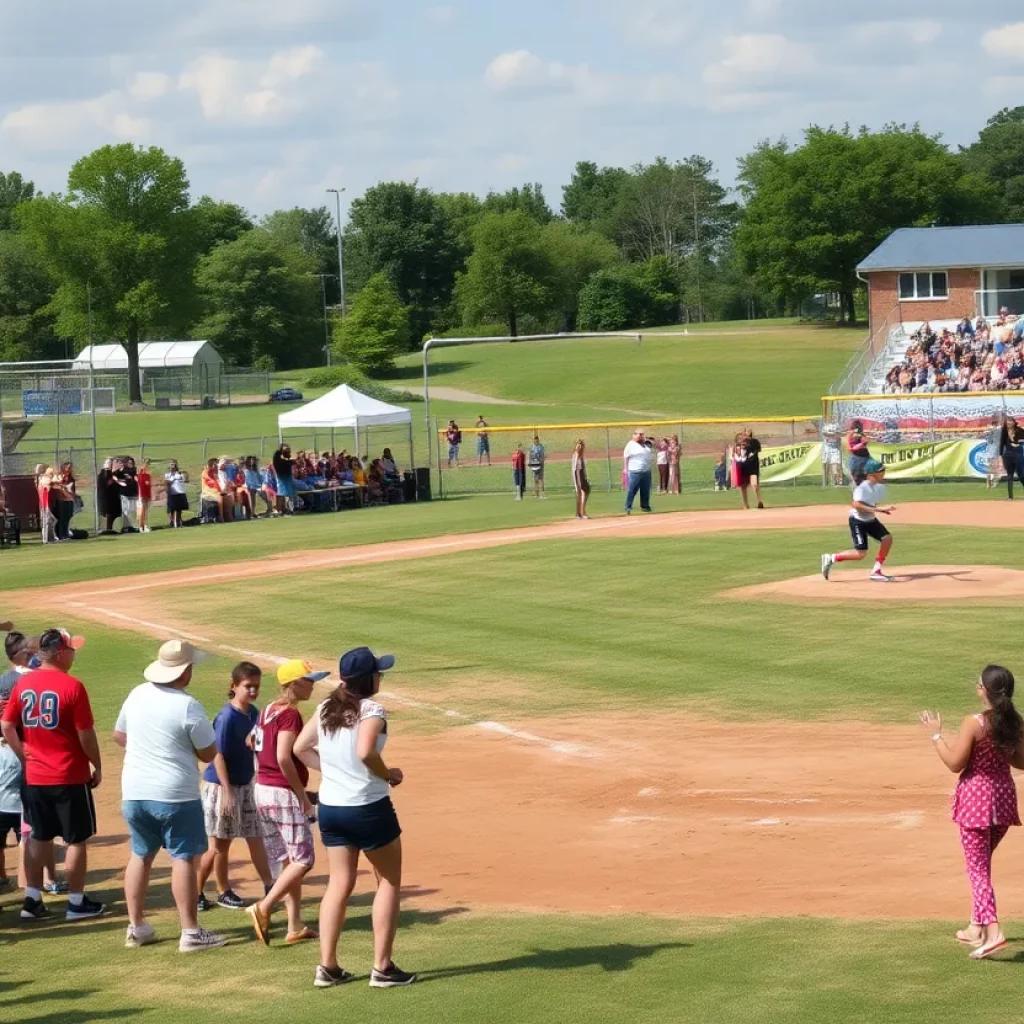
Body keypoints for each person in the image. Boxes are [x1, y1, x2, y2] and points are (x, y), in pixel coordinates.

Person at [294, 646, 415, 989]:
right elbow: (365, 751)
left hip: (332, 808)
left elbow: (300, 748)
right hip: (367, 807)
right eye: (378, 672)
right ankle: (382, 967)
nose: (381, 676)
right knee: (389, 881)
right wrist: (387, 773)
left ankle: (328, 967)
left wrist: (332, 771)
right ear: (369, 679)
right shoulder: (372, 710)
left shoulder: (324, 708)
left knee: (339, 884)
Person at [113, 639, 226, 952]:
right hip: (174, 794)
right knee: (183, 857)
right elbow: (208, 752)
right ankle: (190, 932)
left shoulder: (137, 694)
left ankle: (137, 928)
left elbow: (120, 735)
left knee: (141, 854)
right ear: (185, 671)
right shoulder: (187, 705)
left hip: (134, 791)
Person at [0, 628, 105, 921]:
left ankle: (31, 901)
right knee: (76, 840)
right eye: (71, 649)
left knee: (38, 837)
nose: (74, 654)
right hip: (68, 774)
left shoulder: (23, 684)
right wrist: (96, 764)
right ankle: (75, 902)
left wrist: (24, 755)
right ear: (60, 653)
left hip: (34, 777)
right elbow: (85, 734)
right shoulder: (72, 686)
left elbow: (7, 726)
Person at [919, 665, 1023, 960]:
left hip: (976, 803)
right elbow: (1021, 762)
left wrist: (936, 736)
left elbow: (955, 763)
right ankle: (976, 927)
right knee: (982, 863)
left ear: (984, 691)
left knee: (977, 870)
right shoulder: (1014, 722)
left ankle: (993, 931)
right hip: (1003, 799)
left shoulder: (974, 723)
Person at [245, 660, 327, 947]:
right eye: (308, 680)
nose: (313, 684)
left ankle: (294, 926)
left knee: (287, 860)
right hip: (281, 793)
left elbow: (250, 741)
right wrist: (302, 796)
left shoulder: (268, 710)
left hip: (262, 791)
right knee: (303, 859)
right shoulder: (290, 714)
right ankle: (264, 906)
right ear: (294, 684)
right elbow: (283, 756)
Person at [197, 663, 273, 912]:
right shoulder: (227, 717)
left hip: (245, 784)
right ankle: (202, 891)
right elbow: (216, 754)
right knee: (220, 844)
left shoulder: (254, 713)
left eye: (256, 686)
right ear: (234, 687)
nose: (253, 691)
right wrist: (227, 791)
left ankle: (270, 886)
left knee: (255, 836)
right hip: (222, 786)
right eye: (247, 686)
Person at [820, 459, 895, 583]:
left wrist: (878, 510)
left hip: (870, 520)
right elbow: (856, 505)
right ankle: (831, 558)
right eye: (881, 471)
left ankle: (876, 571)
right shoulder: (863, 488)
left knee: (887, 539)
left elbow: (868, 504)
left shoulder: (876, 486)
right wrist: (879, 510)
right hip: (858, 521)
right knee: (860, 554)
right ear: (872, 474)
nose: (883, 473)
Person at [622, 429, 653, 515]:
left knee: (645, 490)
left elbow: (654, 445)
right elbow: (626, 456)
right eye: (639, 434)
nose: (641, 436)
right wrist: (625, 469)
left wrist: (647, 440)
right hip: (635, 471)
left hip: (646, 471)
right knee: (632, 490)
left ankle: (645, 506)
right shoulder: (630, 444)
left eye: (642, 434)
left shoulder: (646, 444)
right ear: (634, 435)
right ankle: (628, 507)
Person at [736, 429, 764, 510]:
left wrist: (752, 453)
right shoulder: (739, 444)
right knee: (743, 486)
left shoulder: (754, 441)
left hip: (753, 465)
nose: (745, 434)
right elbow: (737, 455)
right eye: (743, 433)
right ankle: (746, 504)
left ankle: (759, 501)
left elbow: (758, 449)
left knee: (754, 483)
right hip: (743, 466)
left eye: (747, 432)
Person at [999, 416, 1024, 500]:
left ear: (1014, 422)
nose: (1009, 423)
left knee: (1021, 475)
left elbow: (1019, 442)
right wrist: (1000, 455)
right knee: (1010, 475)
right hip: (1007, 455)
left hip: (1018, 454)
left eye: (1010, 421)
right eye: (1007, 422)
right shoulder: (1004, 431)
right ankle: (1010, 497)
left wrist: (1012, 437)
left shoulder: (1019, 430)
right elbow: (1002, 443)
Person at [116, 456, 140, 533]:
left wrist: (133, 478)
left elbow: (136, 479)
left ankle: (132, 526)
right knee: (126, 510)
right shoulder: (122, 471)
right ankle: (125, 527)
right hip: (125, 494)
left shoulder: (134, 470)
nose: (131, 464)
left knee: (133, 510)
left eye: (132, 462)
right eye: (129, 462)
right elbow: (118, 478)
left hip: (134, 493)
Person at [97, 458, 119, 535]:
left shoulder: (113, 473)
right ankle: (107, 529)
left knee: (112, 513)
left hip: (113, 496)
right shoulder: (104, 473)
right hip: (106, 497)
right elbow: (106, 483)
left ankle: (109, 528)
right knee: (108, 513)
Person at [165, 460, 189, 528]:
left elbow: (186, 480)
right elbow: (167, 483)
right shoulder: (167, 475)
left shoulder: (179, 473)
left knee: (179, 509)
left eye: (174, 464)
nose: (172, 466)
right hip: (172, 493)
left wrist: (183, 476)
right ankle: (172, 522)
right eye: (171, 464)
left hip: (180, 492)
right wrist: (173, 477)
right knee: (171, 509)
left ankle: (178, 522)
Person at [272, 445, 295, 515]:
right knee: (281, 493)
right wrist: (280, 449)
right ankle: (280, 510)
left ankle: (289, 509)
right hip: (281, 478)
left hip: (288, 477)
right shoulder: (278, 460)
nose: (287, 451)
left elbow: (290, 460)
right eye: (286, 450)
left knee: (290, 494)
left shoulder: (288, 461)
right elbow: (276, 456)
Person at [847, 420, 871, 484]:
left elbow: (865, 442)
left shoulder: (862, 435)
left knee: (864, 478)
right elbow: (851, 448)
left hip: (864, 458)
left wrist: (863, 441)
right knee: (856, 478)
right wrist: (862, 444)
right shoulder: (850, 435)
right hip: (856, 458)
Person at [571, 438, 590, 520]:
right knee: (580, 494)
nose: (580, 448)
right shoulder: (576, 456)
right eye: (579, 446)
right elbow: (575, 470)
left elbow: (583, 468)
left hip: (581, 476)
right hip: (577, 476)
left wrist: (586, 477)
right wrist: (578, 481)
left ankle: (580, 512)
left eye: (581, 446)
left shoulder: (581, 456)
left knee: (586, 491)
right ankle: (580, 513)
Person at [201, 458, 223, 524]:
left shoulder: (214, 472)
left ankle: (228, 515)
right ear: (211, 464)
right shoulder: (206, 472)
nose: (217, 466)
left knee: (228, 496)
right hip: (207, 492)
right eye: (215, 465)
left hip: (214, 491)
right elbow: (213, 482)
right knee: (220, 497)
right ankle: (221, 517)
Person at [822, 423, 844, 487]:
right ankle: (825, 482)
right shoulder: (826, 435)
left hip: (835, 451)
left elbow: (841, 434)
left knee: (836, 467)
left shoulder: (838, 436)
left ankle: (837, 482)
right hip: (827, 451)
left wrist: (835, 434)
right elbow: (825, 434)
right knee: (826, 467)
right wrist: (830, 433)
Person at [137, 458, 153, 533]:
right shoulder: (140, 475)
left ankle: (145, 526)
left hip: (147, 495)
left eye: (148, 464)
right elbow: (140, 485)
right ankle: (140, 527)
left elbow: (148, 486)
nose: (146, 466)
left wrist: (149, 496)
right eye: (145, 464)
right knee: (142, 511)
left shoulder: (148, 475)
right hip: (141, 495)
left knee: (146, 511)